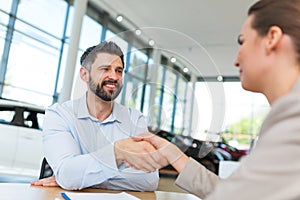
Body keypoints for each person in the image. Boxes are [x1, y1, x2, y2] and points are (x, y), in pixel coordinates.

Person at [135, 0, 300, 199]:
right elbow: (244, 193)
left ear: (272, 38)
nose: (236, 59)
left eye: (243, 41)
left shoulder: (293, 115)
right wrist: (175, 155)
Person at [31, 41, 167, 191]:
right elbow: (68, 175)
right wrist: (118, 152)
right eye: (105, 69)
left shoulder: (135, 118)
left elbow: (148, 180)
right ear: (84, 74)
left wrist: (81, 179)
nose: (114, 76)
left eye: (119, 71)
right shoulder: (59, 115)